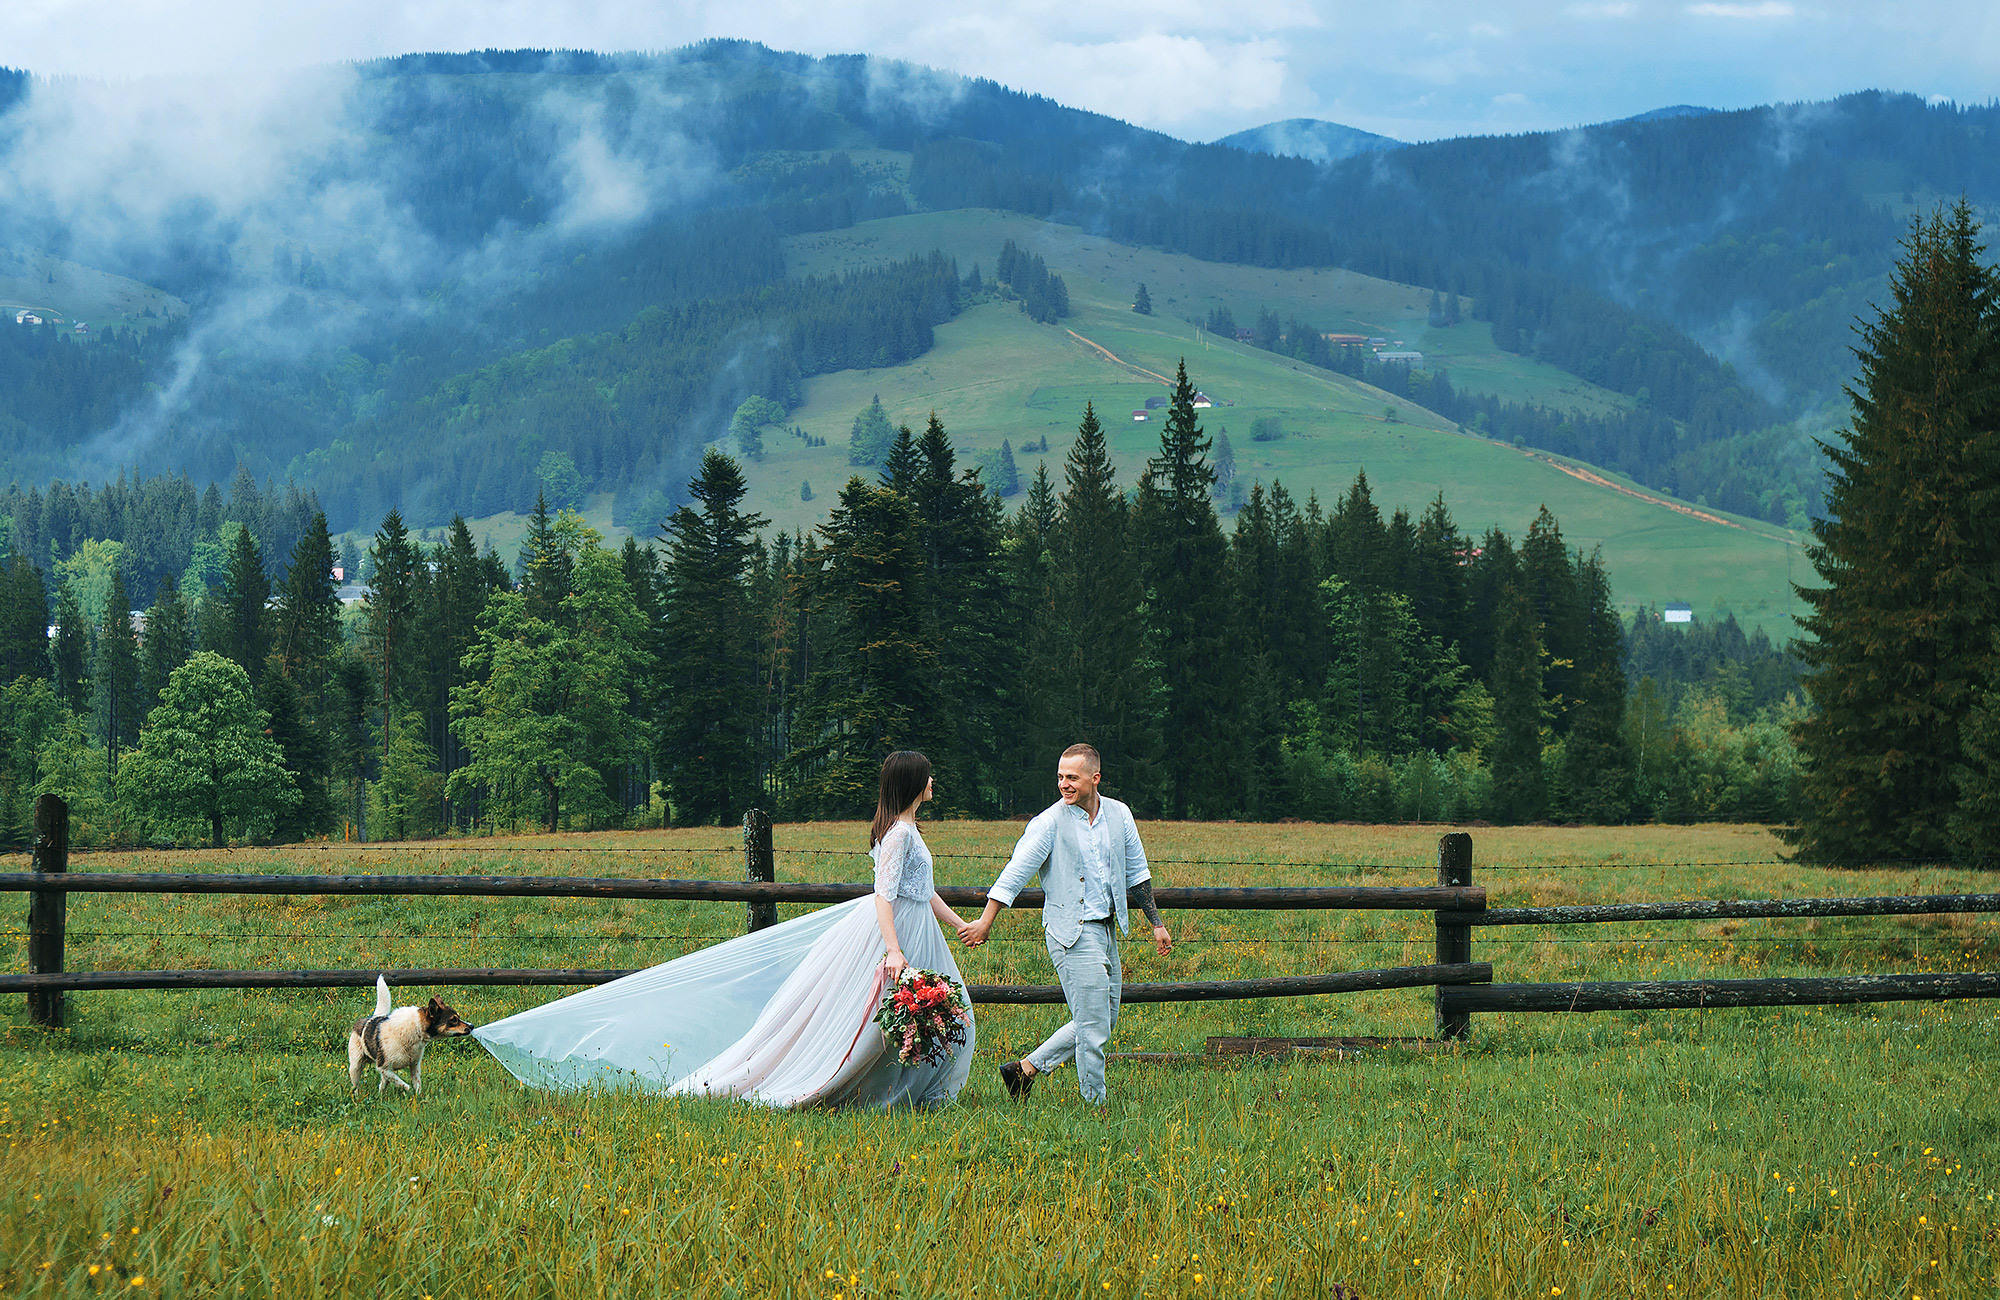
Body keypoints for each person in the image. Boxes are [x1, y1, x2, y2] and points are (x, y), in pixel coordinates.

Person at [474, 751, 978, 1110]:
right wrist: (892, 950)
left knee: (934, 1012)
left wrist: (960, 925)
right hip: (895, 935)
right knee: (882, 1017)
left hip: (917, 930)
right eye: (929, 777)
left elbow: (921, 890)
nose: (935, 784)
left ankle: (915, 1089)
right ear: (913, 782)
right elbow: (884, 895)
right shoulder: (899, 835)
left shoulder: (910, 831)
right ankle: (865, 1087)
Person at [962, 743, 1170, 1106]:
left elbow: (1137, 872)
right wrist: (985, 921)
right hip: (1070, 933)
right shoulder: (1048, 823)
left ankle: (1024, 1070)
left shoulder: (1120, 815)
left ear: (1095, 778)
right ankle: (1095, 1103)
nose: (1064, 784)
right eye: (1060, 777)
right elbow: (1015, 874)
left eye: (1072, 777)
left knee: (1102, 1020)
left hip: (1106, 930)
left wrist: (1156, 923)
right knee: (1093, 1028)